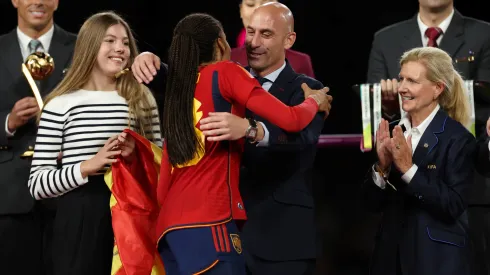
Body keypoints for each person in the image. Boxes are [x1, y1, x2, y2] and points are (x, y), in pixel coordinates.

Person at [155, 12, 330, 275]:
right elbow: (293, 120)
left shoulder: (181, 89)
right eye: (250, 32)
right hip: (213, 224)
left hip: (173, 231)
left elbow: (163, 181)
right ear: (221, 44)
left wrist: (251, 131)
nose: (253, 42)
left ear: (289, 39)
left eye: (266, 34)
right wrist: (314, 102)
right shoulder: (227, 73)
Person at [28, 11, 162, 275]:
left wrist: (137, 156)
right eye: (110, 41)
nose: (120, 49)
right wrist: (89, 166)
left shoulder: (142, 98)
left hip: (133, 213)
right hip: (79, 218)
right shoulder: (60, 104)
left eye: (125, 42)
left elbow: (161, 167)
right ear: (90, 46)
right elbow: (37, 184)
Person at [366, 1, 490, 273]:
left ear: (437, 89)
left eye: (412, 81)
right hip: (390, 258)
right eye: (401, 79)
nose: (401, 88)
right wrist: (381, 169)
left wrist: (409, 170)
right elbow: (371, 205)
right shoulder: (392, 130)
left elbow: (452, 205)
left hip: (435, 260)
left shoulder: (458, 138)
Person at [0, 0, 76, 274]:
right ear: (15, 1)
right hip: (10, 195)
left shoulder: (83, 48)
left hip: (69, 187)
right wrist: (8, 122)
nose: (39, 1)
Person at [232, 0, 315, 78]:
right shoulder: (228, 58)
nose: (258, 11)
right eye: (250, 4)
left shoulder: (300, 62)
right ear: (241, 10)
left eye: (267, 3)